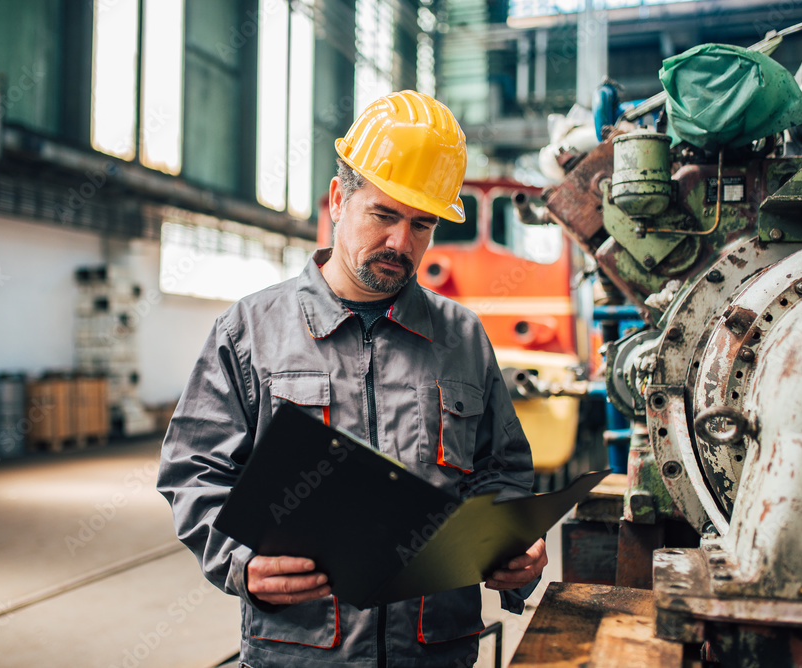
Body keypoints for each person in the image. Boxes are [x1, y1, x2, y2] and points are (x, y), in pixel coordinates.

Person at [158, 90, 547, 668]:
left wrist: (513, 550)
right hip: (303, 649)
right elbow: (195, 470)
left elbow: (500, 471)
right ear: (339, 199)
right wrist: (240, 562)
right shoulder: (250, 331)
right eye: (384, 215)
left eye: (422, 224)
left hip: (435, 650)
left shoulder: (462, 338)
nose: (400, 243)